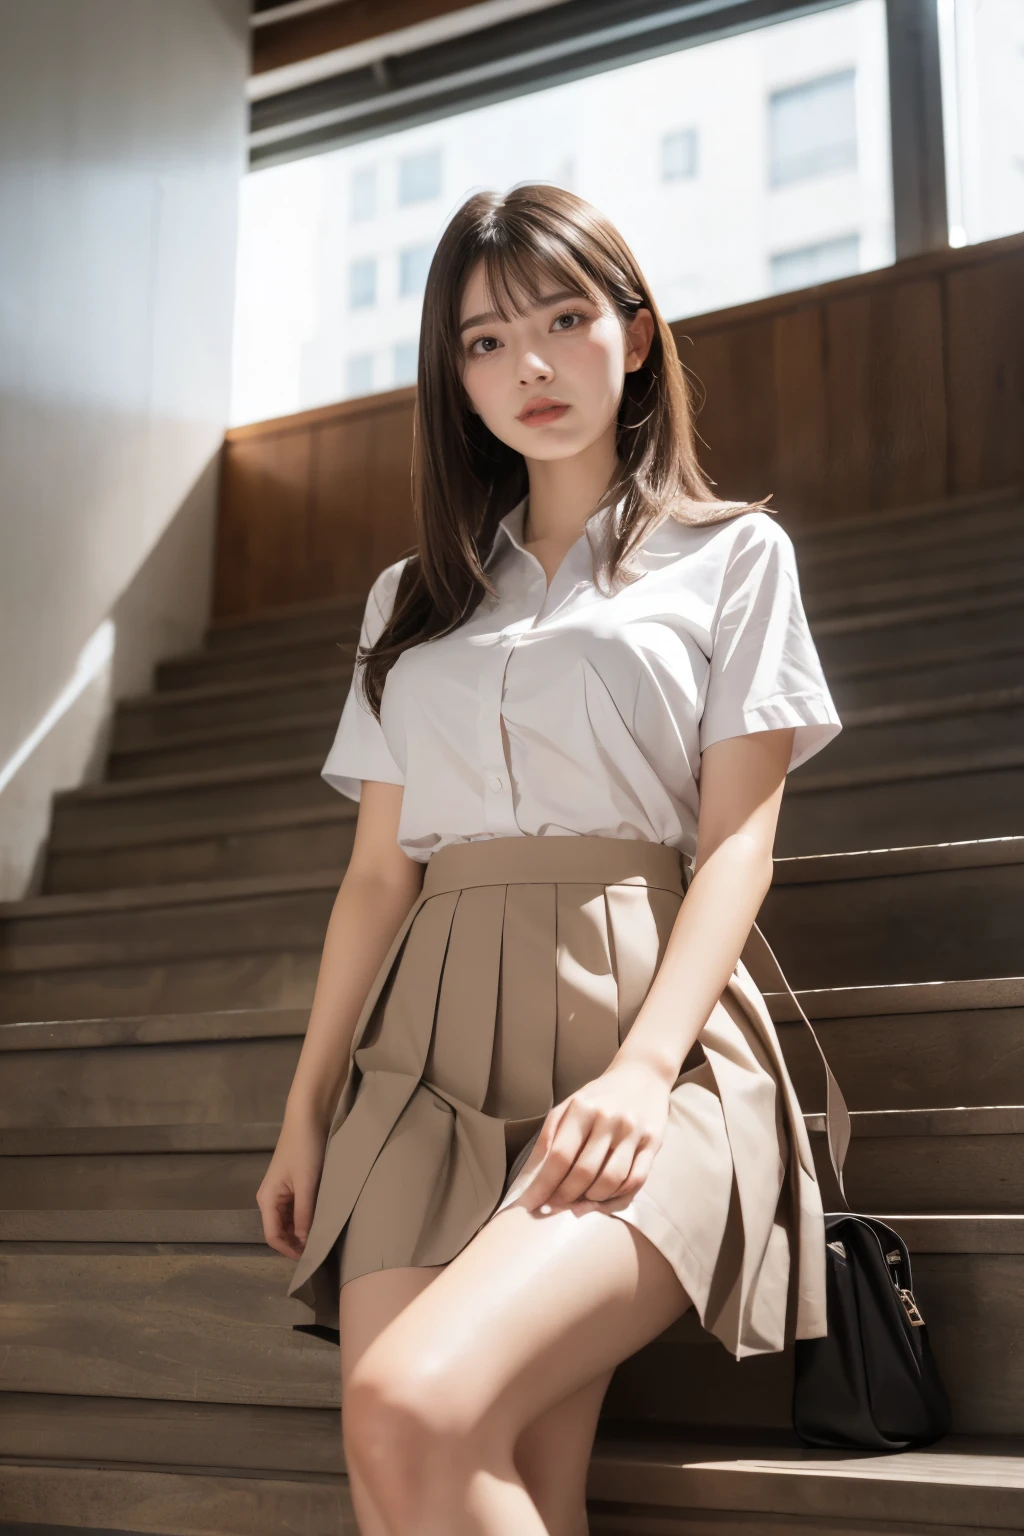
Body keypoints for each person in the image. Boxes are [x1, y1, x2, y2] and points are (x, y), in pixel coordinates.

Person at [257, 182, 843, 1536]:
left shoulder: (732, 555)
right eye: (482, 340)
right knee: (440, 1460)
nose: (526, 364)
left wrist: (646, 1068)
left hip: (646, 1026)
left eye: (564, 319)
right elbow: (375, 877)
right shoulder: (411, 602)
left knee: (413, 1407)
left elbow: (742, 838)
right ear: (449, 377)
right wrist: (306, 1109)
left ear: (634, 338)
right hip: (424, 1061)